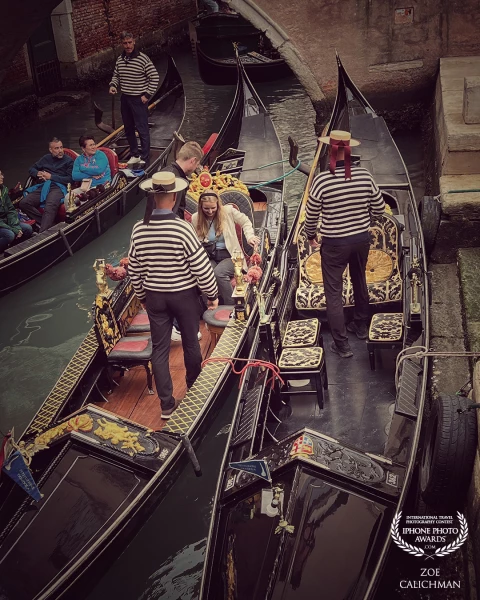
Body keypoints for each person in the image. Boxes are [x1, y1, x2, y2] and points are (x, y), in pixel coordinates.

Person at [129, 172, 219, 420]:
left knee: (159, 349)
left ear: (154, 197)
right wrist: (212, 294)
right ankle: (194, 393)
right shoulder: (182, 227)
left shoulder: (139, 229)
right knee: (191, 342)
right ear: (175, 196)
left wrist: (142, 297)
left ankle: (166, 405)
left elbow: (134, 269)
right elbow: (200, 266)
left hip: (155, 297)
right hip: (183, 296)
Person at [305, 130, 385, 358]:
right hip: (360, 240)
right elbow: (379, 208)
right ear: (349, 150)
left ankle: (342, 344)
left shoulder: (321, 180)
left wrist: (311, 236)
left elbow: (311, 217)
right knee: (359, 279)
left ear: (331, 151)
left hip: (334, 243)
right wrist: (363, 217)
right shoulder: (364, 176)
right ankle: (360, 326)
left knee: (333, 292)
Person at [192, 191, 260, 305]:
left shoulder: (228, 211)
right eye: (206, 209)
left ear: (218, 205)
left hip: (231, 256)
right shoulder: (196, 218)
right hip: (211, 256)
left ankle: (231, 306)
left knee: (219, 273)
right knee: (204, 273)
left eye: (213, 208)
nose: (210, 212)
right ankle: (207, 306)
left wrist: (250, 236)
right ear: (201, 207)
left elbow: (245, 221)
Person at [109, 32, 160, 167]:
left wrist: (147, 95)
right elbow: (116, 75)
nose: (128, 45)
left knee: (142, 129)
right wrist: (113, 85)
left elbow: (154, 77)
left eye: (130, 42)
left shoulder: (143, 59)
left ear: (134, 42)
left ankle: (145, 157)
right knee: (128, 128)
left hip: (138, 99)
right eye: (125, 43)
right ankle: (134, 154)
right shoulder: (120, 59)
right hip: (125, 99)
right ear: (122, 44)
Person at [19, 138, 73, 233]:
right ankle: (49, 224)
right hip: (44, 186)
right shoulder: (46, 158)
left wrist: (51, 177)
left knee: (50, 206)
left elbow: (70, 179)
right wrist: (38, 173)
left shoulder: (69, 161)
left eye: (61, 147)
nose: (60, 150)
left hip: (59, 187)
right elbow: (32, 168)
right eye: (56, 148)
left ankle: (42, 233)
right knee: (24, 203)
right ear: (50, 150)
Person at [165, 141, 204, 220]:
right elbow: (174, 211)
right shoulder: (178, 181)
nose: (196, 168)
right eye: (197, 165)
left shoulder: (165, 171)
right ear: (193, 160)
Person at [0, 170, 33, 253]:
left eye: (2, 174)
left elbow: (11, 210)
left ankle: (12, 250)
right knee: (9, 235)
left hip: (6, 222)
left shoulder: (3, 190)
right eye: (0, 175)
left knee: (28, 229)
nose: (2, 177)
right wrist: (13, 229)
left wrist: (16, 227)